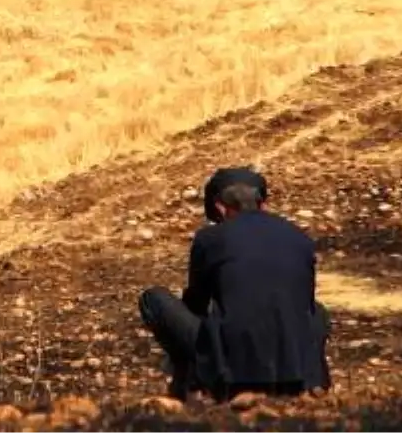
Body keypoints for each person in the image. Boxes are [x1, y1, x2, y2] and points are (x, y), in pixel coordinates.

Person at [138, 165, 332, 402]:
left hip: (232, 370)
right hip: (296, 370)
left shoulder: (210, 238)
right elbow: (305, 305)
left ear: (219, 207)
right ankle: (313, 381)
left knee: (153, 299)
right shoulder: (299, 237)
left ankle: (193, 382)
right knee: (318, 311)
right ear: (263, 204)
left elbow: (195, 304)